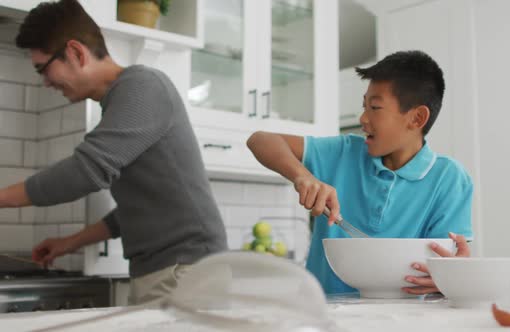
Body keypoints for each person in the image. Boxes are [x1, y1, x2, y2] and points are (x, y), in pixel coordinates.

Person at [0, 0, 227, 304]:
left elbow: (85, 171)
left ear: (76, 53)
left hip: (186, 270)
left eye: (44, 69)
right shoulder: (121, 105)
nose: (45, 82)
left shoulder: (144, 86)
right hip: (170, 269)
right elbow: (137, 209)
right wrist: (71, 243)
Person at [247, 50, 472, 295]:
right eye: (364, 106)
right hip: (323, 312)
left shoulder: (449, 179)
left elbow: (444, 264)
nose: (363, 118)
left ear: (417, 118)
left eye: (375, 107)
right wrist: (304, 177)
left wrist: (452, 275)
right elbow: (260, 140)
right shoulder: (344, 152)